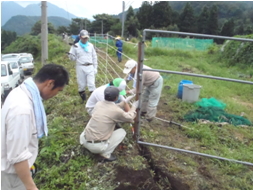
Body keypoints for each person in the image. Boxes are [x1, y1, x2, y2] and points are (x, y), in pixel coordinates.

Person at [1, 63, 69, 190]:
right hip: (11, 177)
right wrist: (31, 186)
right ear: (49, 83)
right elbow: (18, 156)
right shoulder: (22, 110)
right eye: (58, 91)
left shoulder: (19, 91)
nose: (56, 95)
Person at [80, 86, 138, 162]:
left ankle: (92, 146)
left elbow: (110, 108)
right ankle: (105, 154)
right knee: (122, 132)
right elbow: (130, 117)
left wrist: (124, 103)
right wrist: (134, 107)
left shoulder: (99, 104)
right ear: (116, 97)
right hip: (96, 147)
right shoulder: (116, 111)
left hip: (83, 139)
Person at [68, 30, 98, 102]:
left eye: (86, 38)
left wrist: (95, 67)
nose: (85, 39)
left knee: (91, 84)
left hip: (90, 66)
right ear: (80, 37)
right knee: (81, 84)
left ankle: (93, 101)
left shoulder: (90, 46)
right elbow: (72, 58)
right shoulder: (75, 46)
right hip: (80, 66)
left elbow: (94, 57)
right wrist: (71, 56)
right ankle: (84, 100)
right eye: (84, 38)